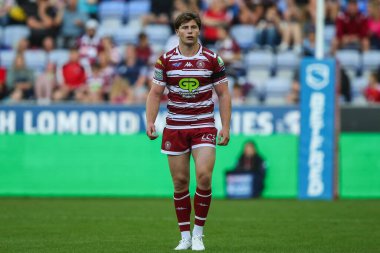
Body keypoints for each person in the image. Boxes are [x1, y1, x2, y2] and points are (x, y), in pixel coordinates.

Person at [145, 12, 231, 251]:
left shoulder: (213, 59)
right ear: (178, 31)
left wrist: (226, 126)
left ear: (199, 30)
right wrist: (150, 121)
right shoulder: (166, 61)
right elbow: (155, 93)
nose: (190, 31)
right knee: (181, 183)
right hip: (175, 126)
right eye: (185, 27)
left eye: (194, 27)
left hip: (203, 124)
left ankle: (198, 234)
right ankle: (184, 236)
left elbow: (223, 94)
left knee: (204, 176)